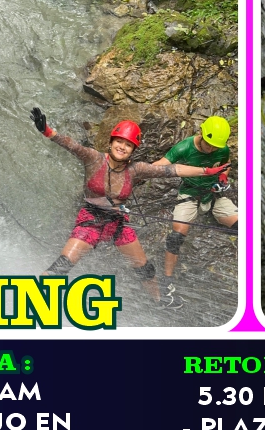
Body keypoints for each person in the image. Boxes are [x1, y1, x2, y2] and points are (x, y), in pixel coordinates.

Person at [31, 110, 228, 304]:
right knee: (62, 266)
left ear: (133, 150)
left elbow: (171, 170)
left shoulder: (136, 169)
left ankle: (159, 301)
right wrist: (47, 131)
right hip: (91, 221)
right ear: (111, 142)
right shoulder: (94, 158)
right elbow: (72, 145)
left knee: (146, 269)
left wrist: (206, 171)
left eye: (128, 145)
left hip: (117, 223)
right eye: (119, 142)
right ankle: (29, 298)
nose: (122, 147)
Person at [162, 115, 238, 302]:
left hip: (213, 195)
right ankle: (167, 280)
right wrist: (134, 174)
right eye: (209, 144)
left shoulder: (222, 148)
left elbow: (224, 166)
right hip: (189, 194)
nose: (212, 149)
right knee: (175, 237)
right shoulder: (184, 147)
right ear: (202, 133)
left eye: (215, 146)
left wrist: (222, 179)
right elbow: (158, 166)